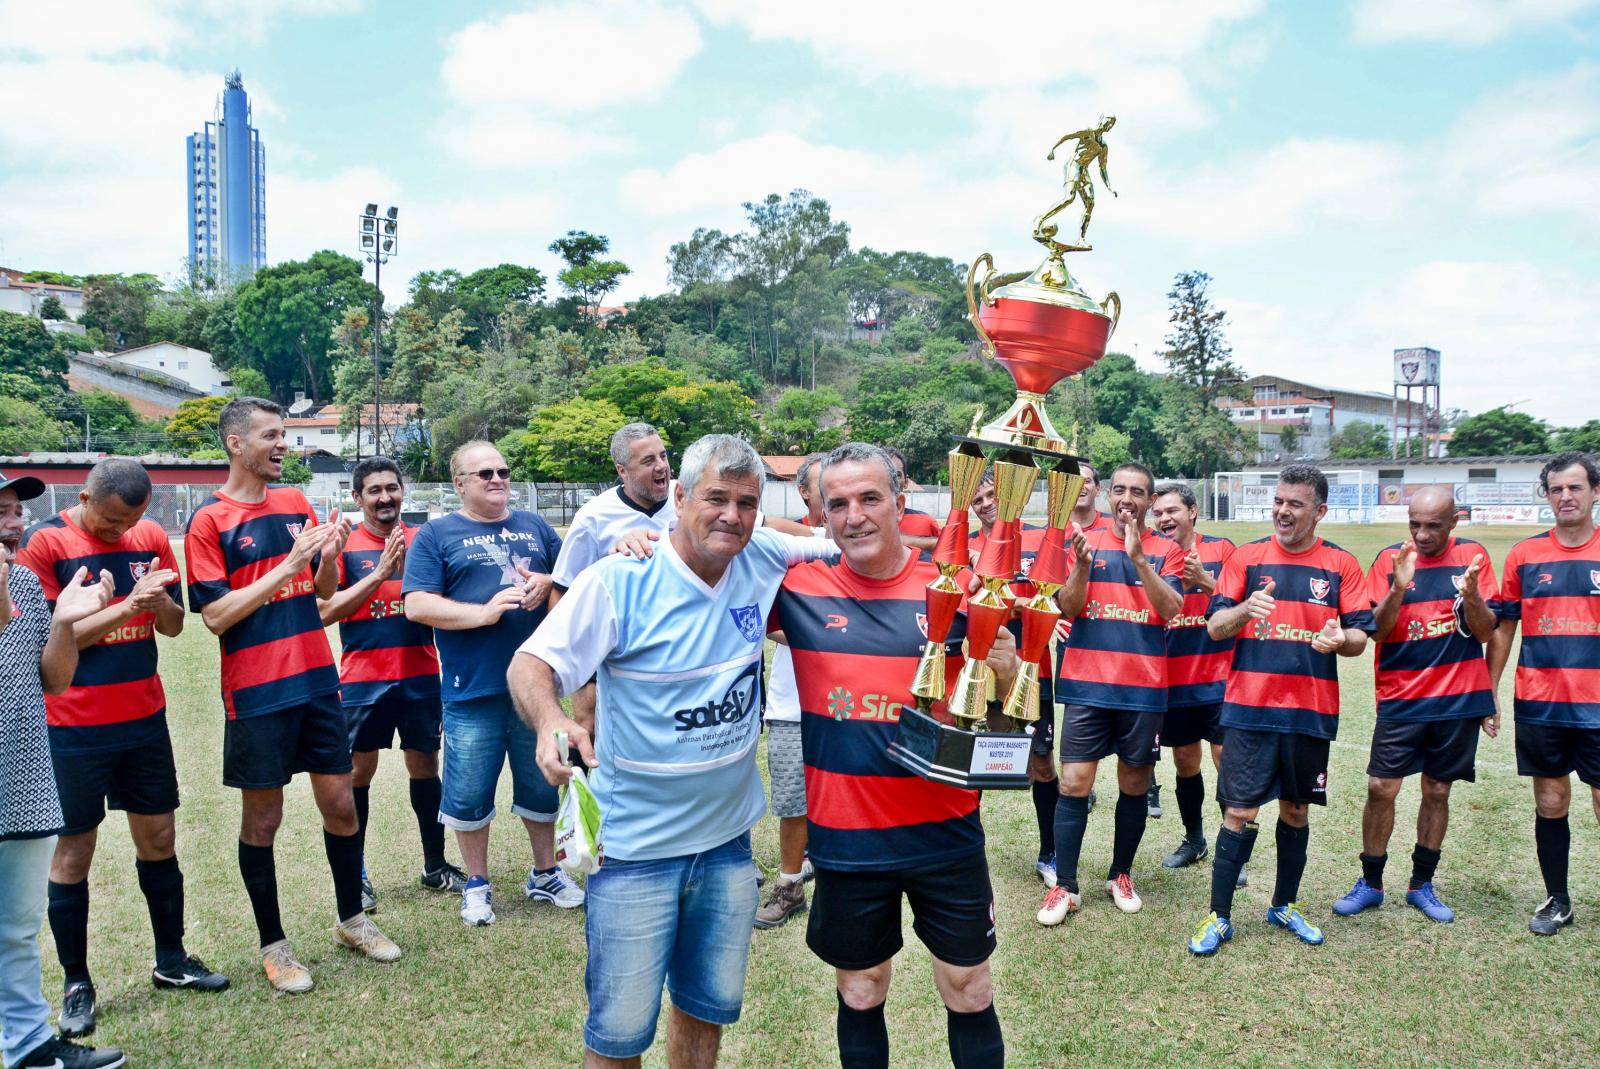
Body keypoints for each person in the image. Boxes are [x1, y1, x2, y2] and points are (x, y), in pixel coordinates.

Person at [509, 434, 836, 1069]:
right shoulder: (620, 578)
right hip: (636, 853)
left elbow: (853, 541)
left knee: (706, 1012)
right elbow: (532, 663)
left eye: (746, 502)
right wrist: (552, 721)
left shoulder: (763, 553)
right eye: (716, 498)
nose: (731, 516)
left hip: (726, 851)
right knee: (619, 1034)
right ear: (680, 498)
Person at [779, 443, 1015, 1069]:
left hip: (945, 833)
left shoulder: (960, 589)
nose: (853, 515)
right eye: (838, 504)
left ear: (901, 503)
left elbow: (1001, 724)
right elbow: (711, 564)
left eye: (869, 499)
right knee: (861, 988)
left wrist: (1009, 673)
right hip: (846, 837)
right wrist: (640, 544)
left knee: (969, 990)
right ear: (821, 515)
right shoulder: (798, 588)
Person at [184, 397, 400, 993]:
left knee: (341, 804)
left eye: (285, 434)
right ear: (235, 444)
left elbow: (322, 588)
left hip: (315, 682)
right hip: (256, 693)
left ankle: (351, 920)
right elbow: (215, 616)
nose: (284, 445)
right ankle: (274, 946)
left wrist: (327, 557)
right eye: (271, 436)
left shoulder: (295, 502)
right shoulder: (209, 521)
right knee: (265, 818)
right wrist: (286, 566)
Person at [18, 460, 227, 1041]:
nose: (119, 533)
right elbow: (49, 645)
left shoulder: (152, 537)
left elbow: (174, 626)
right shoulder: (46, 543)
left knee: (159, 839)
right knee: (74, 853)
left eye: (129, 522)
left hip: (143, 720)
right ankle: (77, 983)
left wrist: (157, 603)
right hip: (72, 726)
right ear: (84, 496)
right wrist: (123, 607)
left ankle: (171, 959)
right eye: (109, 521)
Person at [1188, 465, 1374, 956]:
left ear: (1320, 511)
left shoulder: (1341, 565)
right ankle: (1220, 916)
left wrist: (1341, 640)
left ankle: (1284, 904)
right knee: (1240, 811)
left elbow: (1359, 634)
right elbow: (1214, 626)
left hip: (1309, 712)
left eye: (1295, 503)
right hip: (1249, 708)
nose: (1283, 511)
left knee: (1296, 810)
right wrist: (1244, 610)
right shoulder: (1247, 558)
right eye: (1278, 501)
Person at [401, 440, 580, 926]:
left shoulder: (535, 526)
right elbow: (416, 604)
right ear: (459, 483)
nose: (498, 479)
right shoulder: (437, 534)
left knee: (543, 785)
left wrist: (545, 583)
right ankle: (477, 884)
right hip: (472, 687)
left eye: (503, 471)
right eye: (484, 474)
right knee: (469, 792)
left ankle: (546, 873)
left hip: (538, 690)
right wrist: (481, 614)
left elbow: (572, 584)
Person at [1, 473, 124, 1069]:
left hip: (23, 782)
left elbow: (52, 679)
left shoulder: (24, 582)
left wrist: (62, 624)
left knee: (16, 930)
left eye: (15, 510)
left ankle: (29, 1050)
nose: (14, 522)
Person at [1332, 486, 1498, 924]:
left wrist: (1474, 595)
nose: (1422, 535)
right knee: (1380, 788)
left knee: (1437, 789)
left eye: (1433, 526)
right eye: (1415, 524)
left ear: (1455, 521)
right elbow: (1379, 633)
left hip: (1457, 697)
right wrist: (1399, 588)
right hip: (1401, 697)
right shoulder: (1391, 558)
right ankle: (1370, 882)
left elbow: (1484, 632)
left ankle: (1421, 883)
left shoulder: (1474, 556)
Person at [1038, 462, 1184, 925]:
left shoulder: (1166, 550)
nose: (1126, 498)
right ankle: (1066, 885)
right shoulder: (1084, 542)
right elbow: (1070, 607)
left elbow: (1171, 609)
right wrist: (1081, 566)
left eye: (1136, 492)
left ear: (1148, 499)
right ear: (1107, 495)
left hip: (1143, 688)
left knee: (1134, 784)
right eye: (1119, 490)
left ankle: (1120, 874)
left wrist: (1139, 558)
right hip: (1087, 683)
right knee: (1074, 783)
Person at [317, 457, 463, 912]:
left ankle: (435, 865)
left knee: (425, 768)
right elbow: (323, 611)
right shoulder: (345, 546)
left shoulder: (424, 542)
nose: (385, 497)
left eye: (392, 488)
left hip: (421, 675)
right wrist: (379, 573)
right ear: (357, 497)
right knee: (359, 774)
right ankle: (356, 874)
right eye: (374, 490)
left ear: (403, 492)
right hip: (363, 681)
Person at [1488, 451, 1600, 936]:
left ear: (1595, 492)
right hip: (1541, 701)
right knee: (1551, 802)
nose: (1566, 497)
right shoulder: (1525, 555)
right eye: (1556, 489)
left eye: (1575, 487)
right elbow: (1504, 629)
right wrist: (1488, 689)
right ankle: (1558, 900)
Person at [968, 469, 1071, 884]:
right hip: (977, 671)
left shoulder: (1040, 540)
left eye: (993, 494)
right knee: (973, 758)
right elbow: (964, 601)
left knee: (1041, 764)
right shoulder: (966, 544)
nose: (987, 503)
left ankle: (1050, 851)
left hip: (1032, 669)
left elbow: (1054, 600)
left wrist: (1004, 601)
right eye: (978, 500)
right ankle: (964, 846)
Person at [1147, 482, 1238, 876]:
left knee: (1226, 763)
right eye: (1159, 513)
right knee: (1185, 762)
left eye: (1173, 511)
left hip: (1220, 678)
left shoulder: (1222, 550)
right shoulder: (1151, 553)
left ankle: (1230, 848)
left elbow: (1241, 605)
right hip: (1174, 678)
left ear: (1193, 511)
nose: (1165, 519)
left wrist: (1203, 579)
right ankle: (1195, 840)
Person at [754, 451, 826, 930]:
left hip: (849, 701)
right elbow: (763, 619)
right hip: (792, 699)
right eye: (828, 484)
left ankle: (835, 871)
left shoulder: (864, 543)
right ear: (804, 491)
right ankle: (788, 885)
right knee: (793, 800)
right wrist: (824, 636)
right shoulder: (778, 543)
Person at [882, 446, 940, 554]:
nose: (891, 480)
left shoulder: (926, 522)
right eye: (884, 473)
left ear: (906, 482)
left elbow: (949, 548)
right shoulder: (858, 520)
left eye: (897, 475)